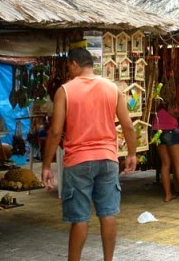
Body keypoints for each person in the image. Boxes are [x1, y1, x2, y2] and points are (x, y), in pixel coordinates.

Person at [42, 48, 137, 261]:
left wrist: (47, 165)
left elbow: (56, 131)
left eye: (69, 66)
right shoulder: (112, 88)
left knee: (80, 218)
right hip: (108, 159)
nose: (68, 70)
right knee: (108, 214)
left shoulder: (65, 91)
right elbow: (128, 126)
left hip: (78, 161)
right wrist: (131, 153)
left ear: (75, 64)